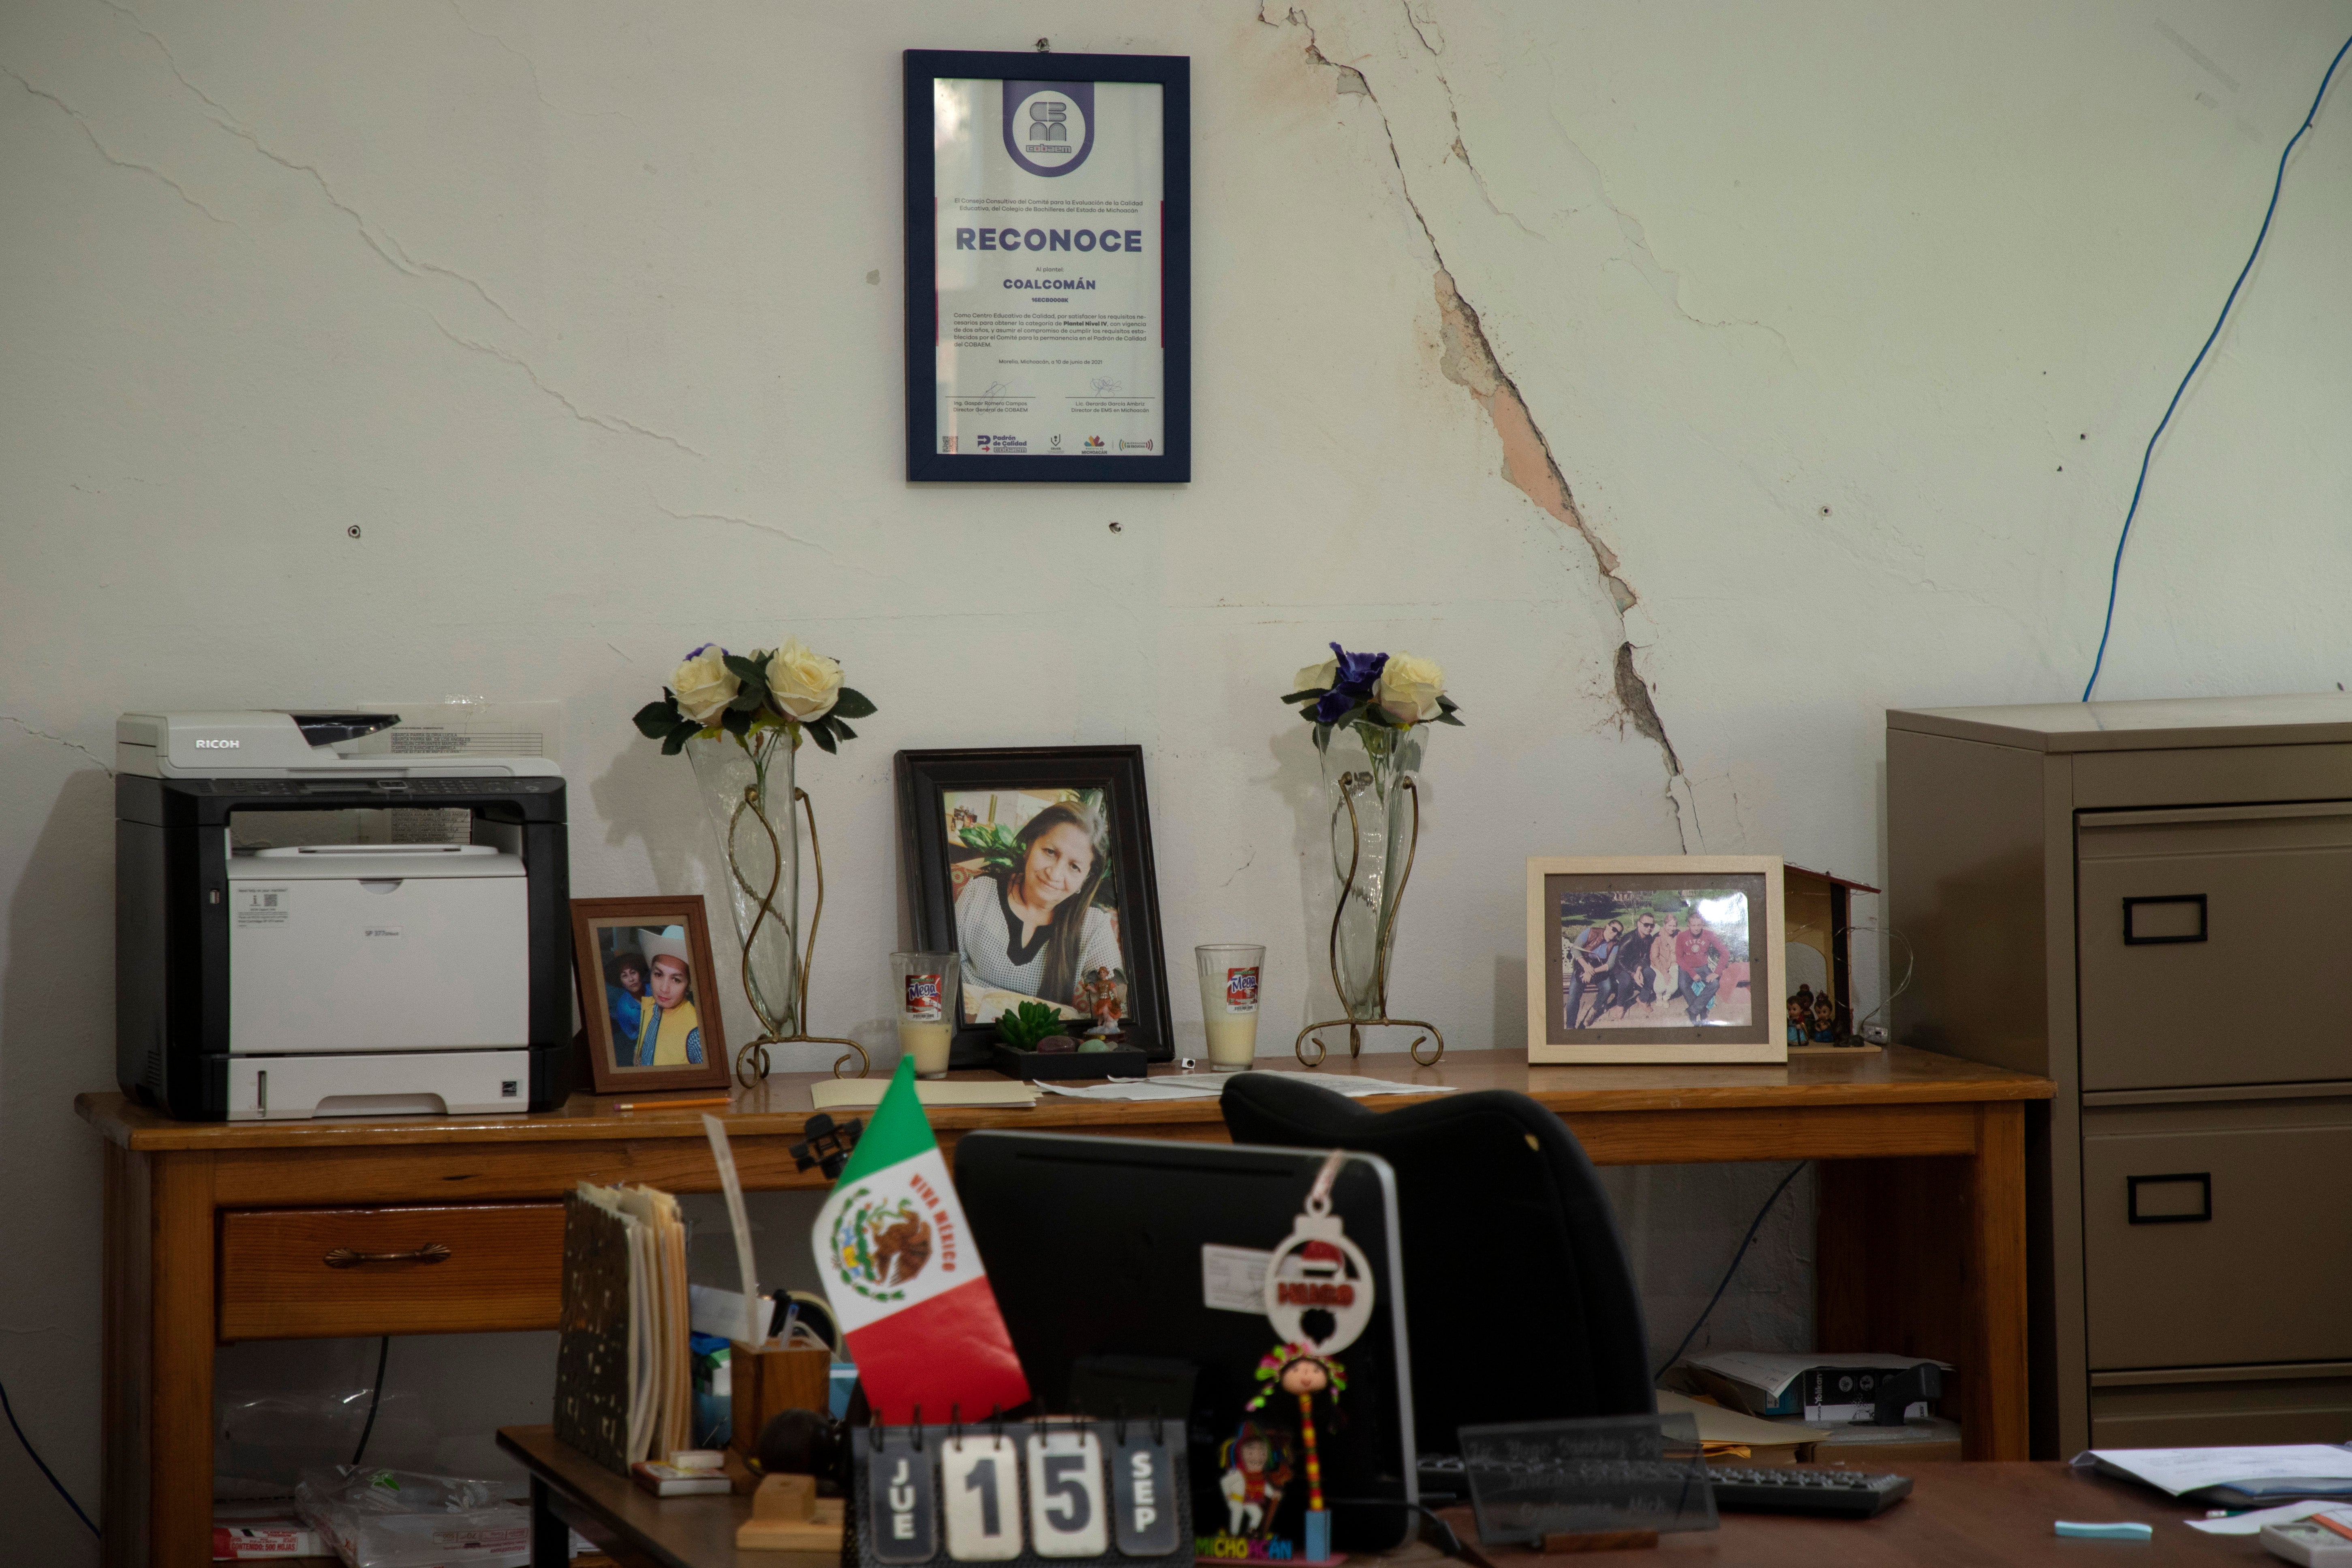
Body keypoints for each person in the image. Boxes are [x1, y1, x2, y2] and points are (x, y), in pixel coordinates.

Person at [954, 802, 1122, 1016]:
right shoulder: (980, 893)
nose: (1054, 874)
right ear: (1030, 846)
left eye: (1074, 867)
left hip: (1040, 1043)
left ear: (1085, 879)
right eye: (1050, 852)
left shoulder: (1092, 924)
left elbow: (1113, 986)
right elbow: (943, 970)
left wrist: (1107, 998)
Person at [631, 926, 705, 1067]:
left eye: (676, 980)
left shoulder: (696, 1033)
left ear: (689, 986)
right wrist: (637, 1051)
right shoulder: (649, 1005)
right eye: (658, 975)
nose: (664, 989)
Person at [1674, 910, 1733, 1023]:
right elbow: (1679, 958)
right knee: (1682, 984)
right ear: (1689, 925)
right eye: (1694, 925)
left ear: (1703, 925)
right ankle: (1702, 1010)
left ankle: (1693, 1010)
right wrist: (1692, 973)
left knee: (1715, 984)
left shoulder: (1709, 935)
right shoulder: (1682, 936)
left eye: (1699, 925)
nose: (1696, 928)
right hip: (1687, 967)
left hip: (1702, 967)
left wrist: (1717, 972)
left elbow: (1725, 953)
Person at [1605, 913, 1661, 1020]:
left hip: (1635, 964)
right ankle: (1620, 1005)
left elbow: (1645, 957)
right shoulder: (1629, 938)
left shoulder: (1648, 938)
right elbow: (1619, 960)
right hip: (1621, 967)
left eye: (1652, 926)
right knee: (1626, 982)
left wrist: (1639, 969)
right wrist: (1633, 974)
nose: (1649, 928)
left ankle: (1642, 999)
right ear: (1639, 924)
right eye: (1646, 925)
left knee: (1651, 974)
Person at [605, 947, 648, 1066]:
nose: (631, 979)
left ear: (639, 973)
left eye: (633, 973)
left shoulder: (655, 991)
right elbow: (632, 1034)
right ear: (621, 982)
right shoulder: (623, 1008)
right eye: (625, 976)